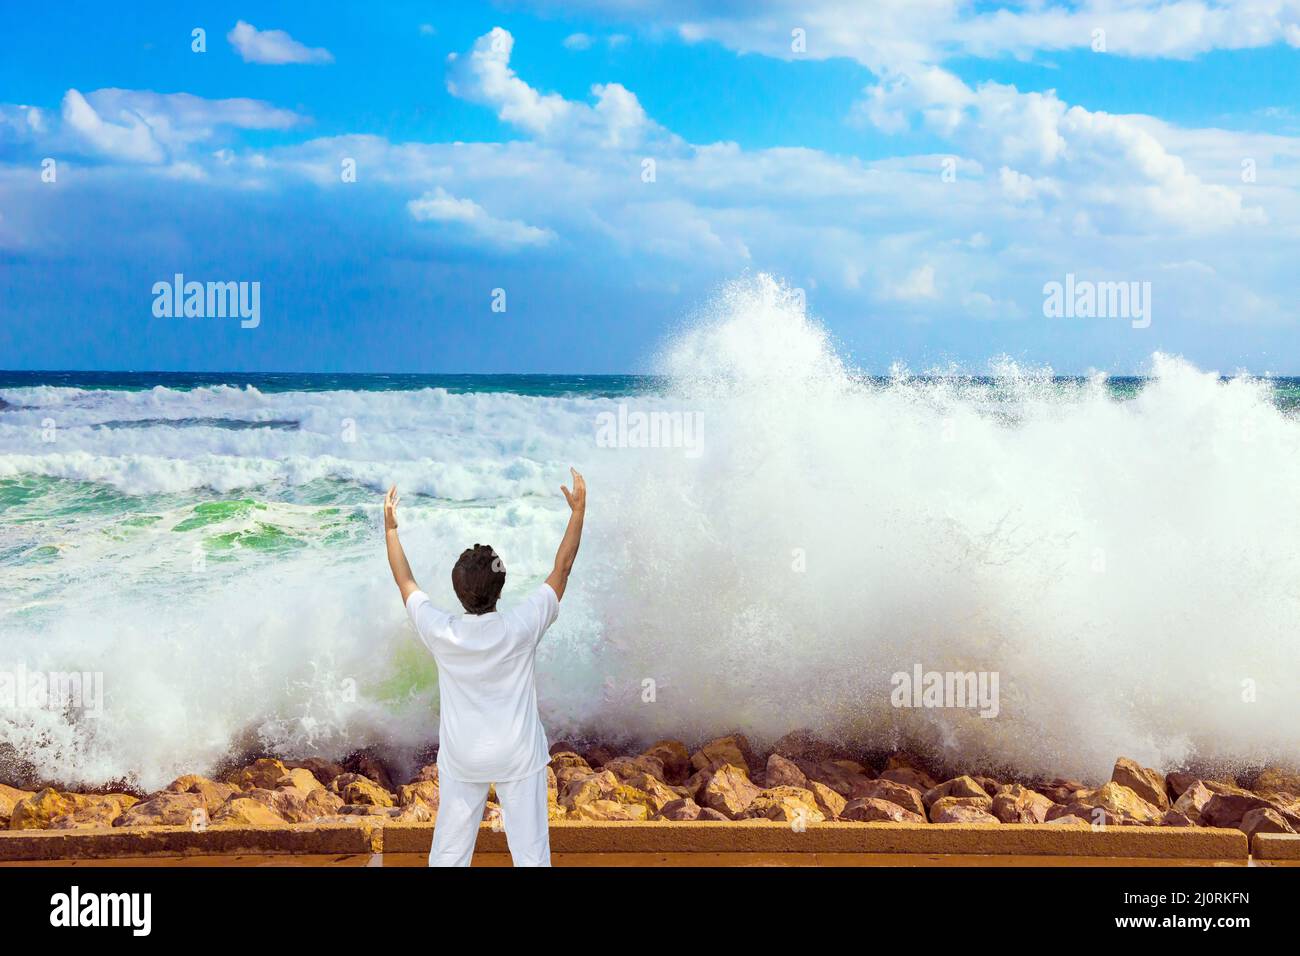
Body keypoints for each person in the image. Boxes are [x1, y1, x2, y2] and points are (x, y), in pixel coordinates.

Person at [382, 468, 586, 866]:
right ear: (500, 588)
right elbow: (562, 570)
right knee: (531, 855)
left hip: (464, 757)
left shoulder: (442, 631)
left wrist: (391, 531)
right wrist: (578, 511)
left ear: (459, 593)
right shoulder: (520, 627)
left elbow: (404, 582)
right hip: (517, 755)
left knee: (449, 855)